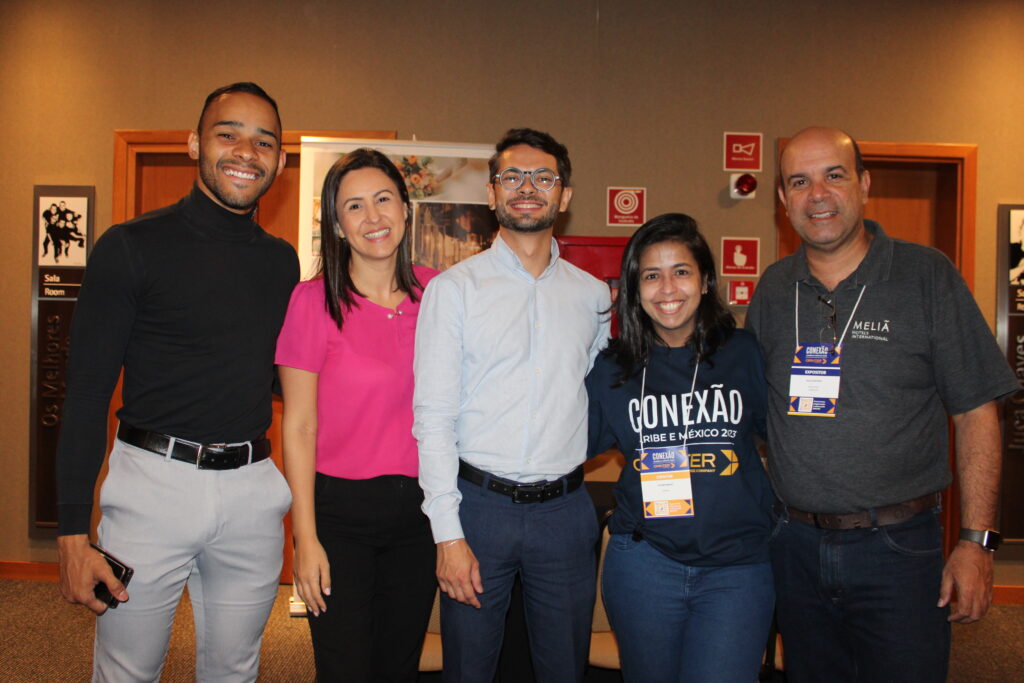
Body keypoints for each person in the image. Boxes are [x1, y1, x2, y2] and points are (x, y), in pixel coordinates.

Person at [745, 126, 1018, 682]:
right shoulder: (773, 290)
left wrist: (977, 541)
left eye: (834, 176)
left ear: (865, 184)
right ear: (783, 200)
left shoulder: (927, 276)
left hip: (897, 550)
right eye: (799, 181)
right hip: (792, 546)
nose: (817, 194)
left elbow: (975, 411)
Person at [55, 82, 299, 682]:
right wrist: (69, 534)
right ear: (195, 144)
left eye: (264, 141)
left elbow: (263, 372)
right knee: (126, 672)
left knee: (235, 670)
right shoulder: (130, 247)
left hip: (252, 493)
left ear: (280, 161)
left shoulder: (281, 262)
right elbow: (85, 393)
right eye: (228, 134)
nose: (247, 150)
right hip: (150, 493)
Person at [413, 128, 610, 683]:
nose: (528, 188)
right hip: (480, 511)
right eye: (513, 177)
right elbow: (432, 419)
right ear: (492, 194)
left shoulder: (592, 296)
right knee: (469, 668)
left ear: (563, 196)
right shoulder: (454, 290)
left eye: (543, 177)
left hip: (565, 514)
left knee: (563, 670)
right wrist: (448, 535)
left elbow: (596, 382)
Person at [586, 213, 774, 683]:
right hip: (645, 564)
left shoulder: (745, 353)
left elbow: (794, 442)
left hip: (738, 569)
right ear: (634, 288)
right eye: (651, 275)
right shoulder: (612, 370)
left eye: (681, 271)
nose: (667, 287)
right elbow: (562, 447)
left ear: (706, 280)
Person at [276, 148, 438, 682]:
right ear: (338, 226)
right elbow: (298, 426)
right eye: (354, 207)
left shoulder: (440, 293)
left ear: (406, 209)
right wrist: (305, 538)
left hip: (421, 515)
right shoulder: (311, 302)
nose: (373, 218)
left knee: (398, 667)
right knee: (345, 669)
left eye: (384, 199)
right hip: (340, 516)